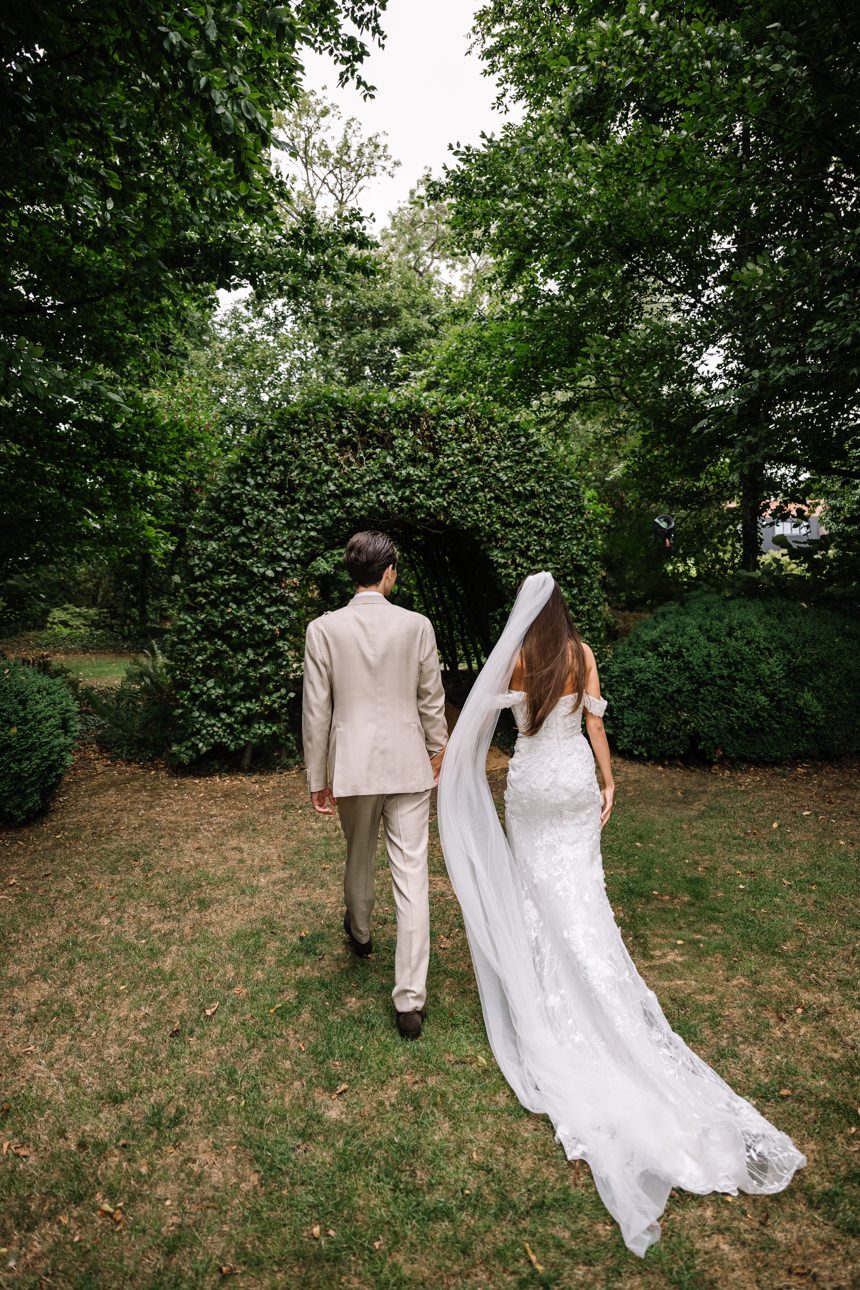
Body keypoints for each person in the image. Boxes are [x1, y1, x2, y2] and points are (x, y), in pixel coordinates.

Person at [436, 571, 805, 1256]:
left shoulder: (514, 656)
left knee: (537, 889)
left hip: (531, 784)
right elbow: (596, 726)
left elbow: (481, 720)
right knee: (579, 889)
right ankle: (597, 978)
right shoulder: (580, 654)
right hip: (571, 778)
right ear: (563, 611)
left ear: (524, 616)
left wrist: (453, 757)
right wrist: (608, 779)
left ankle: (545, 991)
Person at [302, 530, 448, 1039]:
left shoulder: (323, 628)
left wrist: (317, 776)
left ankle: (361, 935)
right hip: (409, 763)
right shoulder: (417, 625)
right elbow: (431, 695)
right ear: (388, 574)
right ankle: (410, 1001)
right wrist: (438, 748)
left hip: (354, 767)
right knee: (412, 875)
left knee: (358, 853)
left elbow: (316, 709)